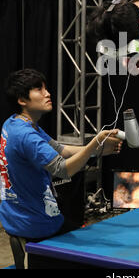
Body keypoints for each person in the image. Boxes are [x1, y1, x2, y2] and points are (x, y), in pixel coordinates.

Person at [0, 69, 122, 242]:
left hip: (14, 217)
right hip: (35, 223)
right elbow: (63, 170)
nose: (48, 94)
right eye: (39, 90)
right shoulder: (26, 135)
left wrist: (98, 149)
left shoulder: (15, 123)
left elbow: (61, 150)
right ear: (21, 100)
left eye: (45, 88)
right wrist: (95, 143)